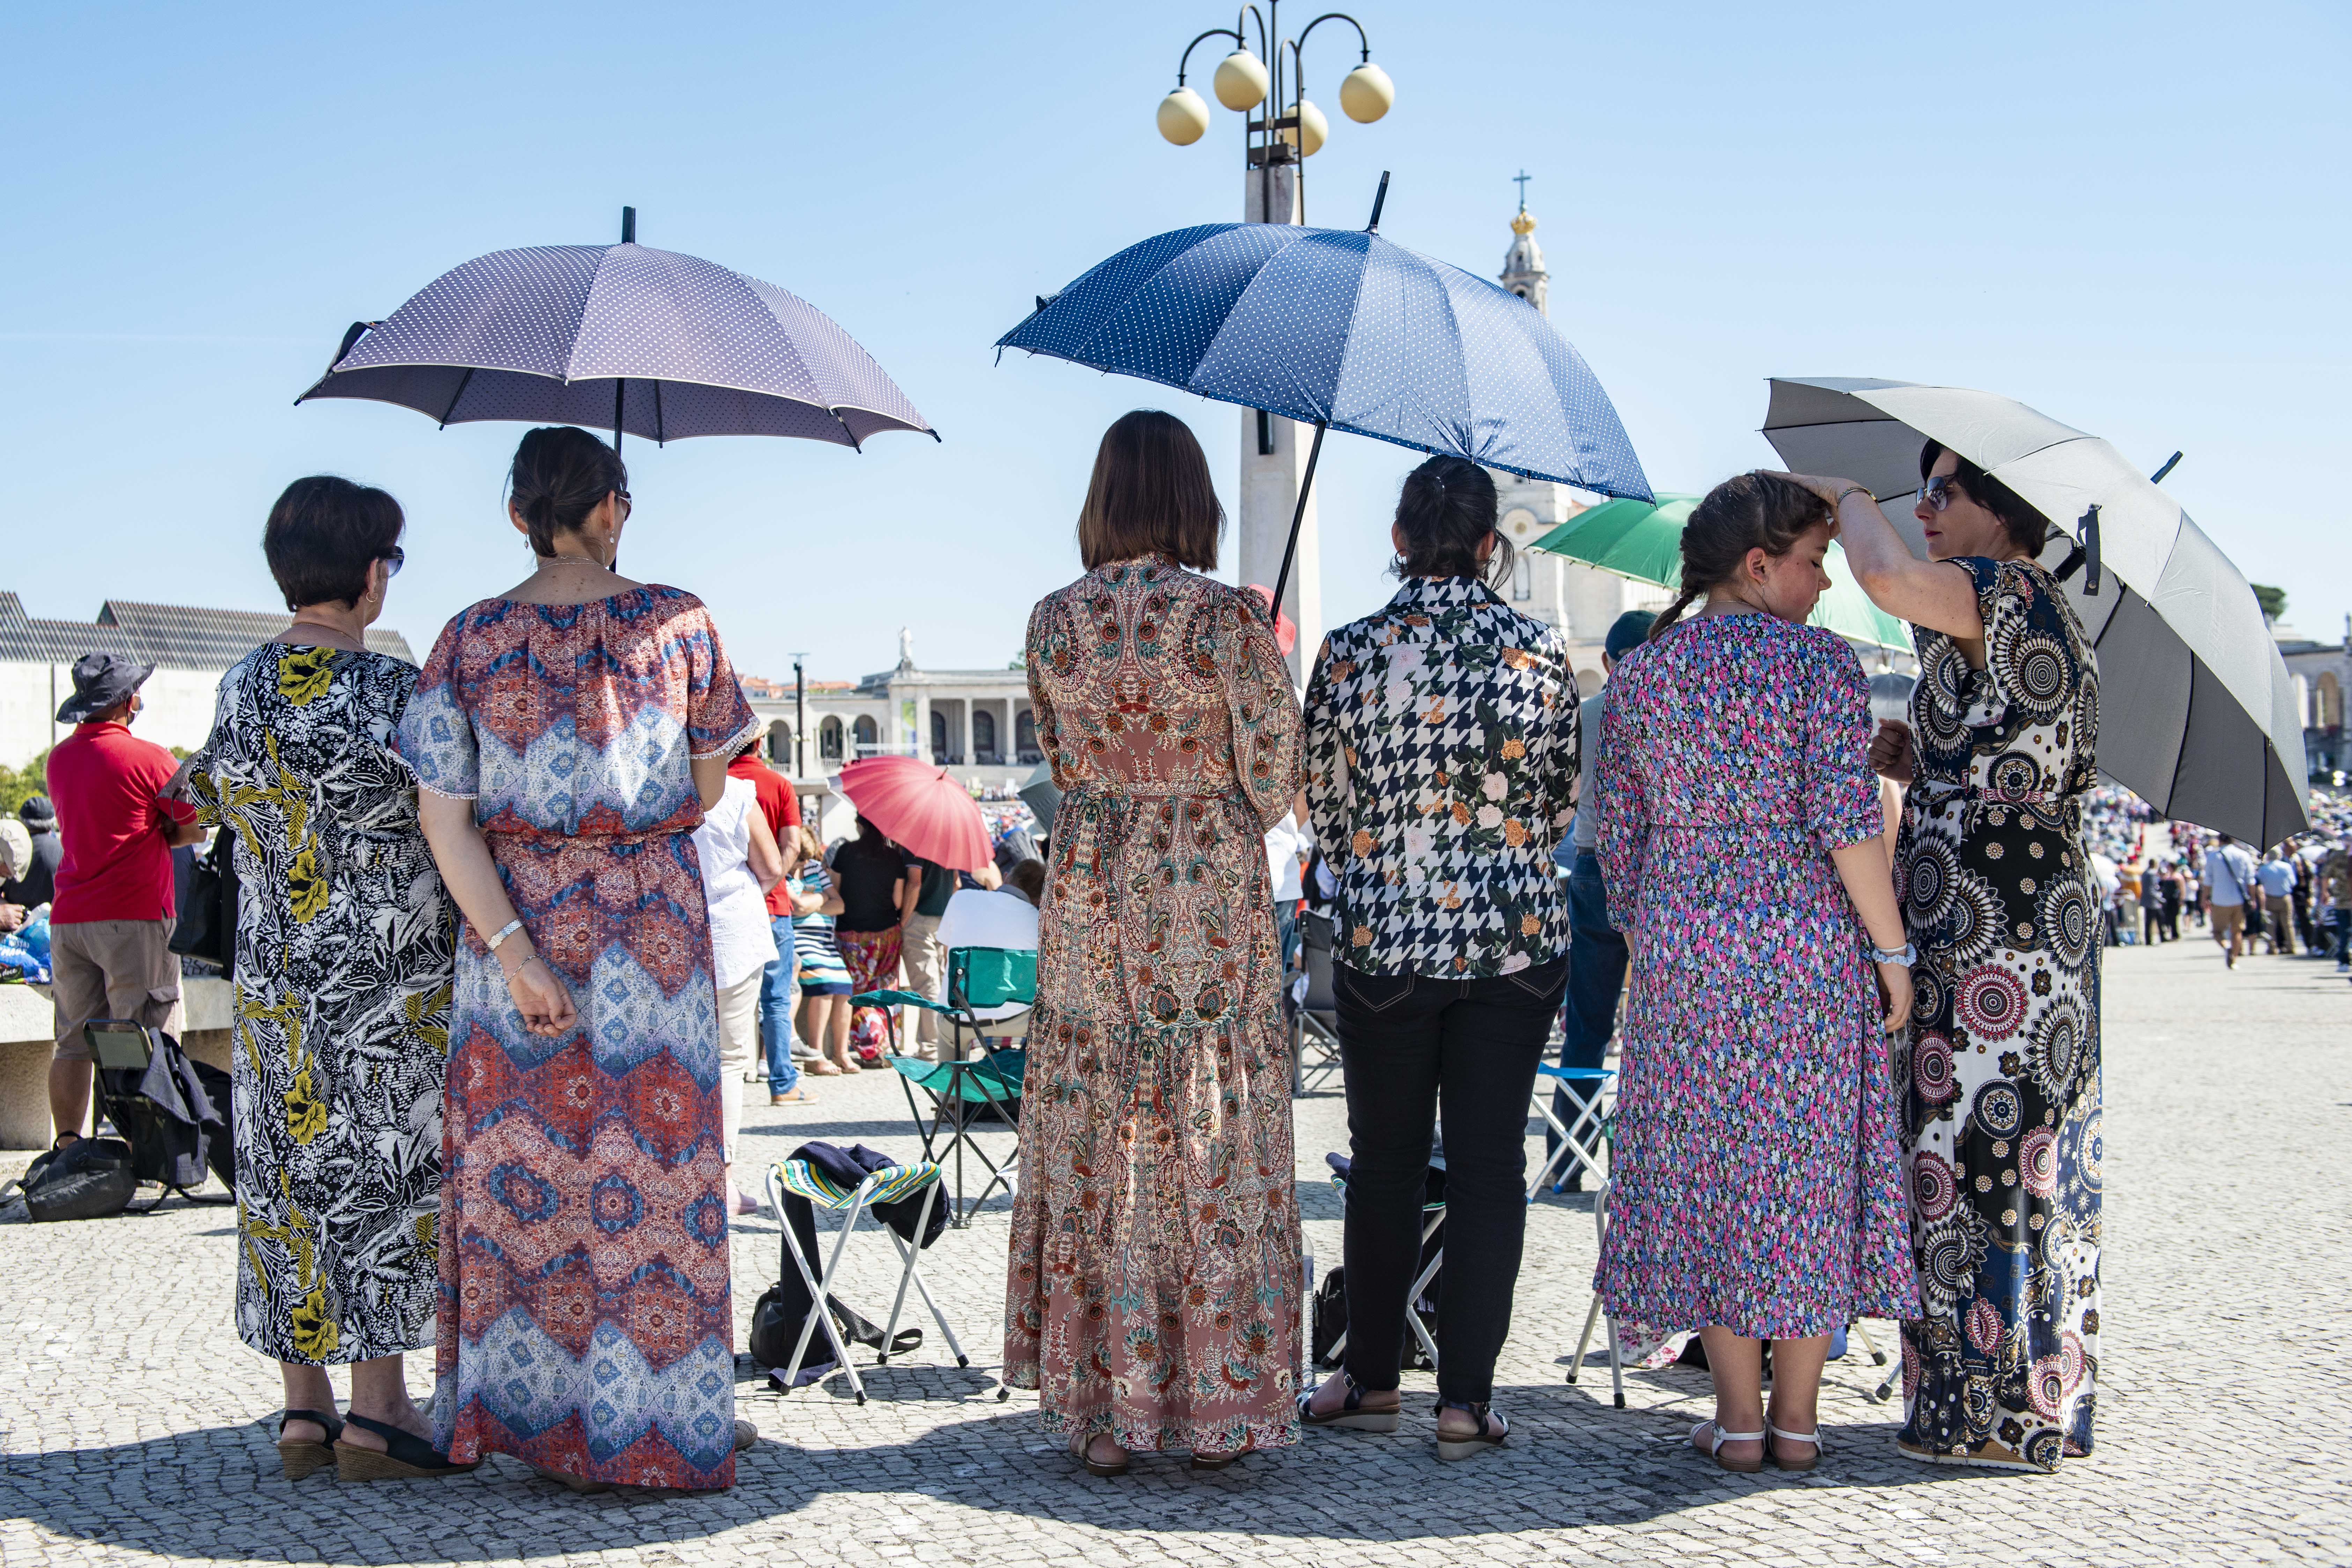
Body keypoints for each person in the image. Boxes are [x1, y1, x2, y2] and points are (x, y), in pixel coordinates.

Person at [397, 426, 758, 1492]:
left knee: (524, 1186)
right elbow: (704, 792)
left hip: (517, 929)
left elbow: (444, 822)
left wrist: (514, 953)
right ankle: (652, 1417)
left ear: (517, 515)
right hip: (652, 937)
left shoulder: (464, 639)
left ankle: (529, 1414)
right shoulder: (678, 621)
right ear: (615, 507)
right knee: (654, 1184)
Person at [1591, 473, 1917, 1475]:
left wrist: (1667, 946)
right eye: (1815, 562)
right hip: (1807, 954)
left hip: (1687, 954)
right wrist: (1893, 951)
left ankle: (1737, 1421)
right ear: (1758, 564)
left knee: (1710, 1182)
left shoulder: (1642, 678)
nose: (1825, 582)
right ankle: (1800, 1422)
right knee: (1803, 1176)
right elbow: (1846, 823)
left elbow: (1620, 843)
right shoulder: (1822, 667)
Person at [1005, 409, 1305, 1475]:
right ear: (1193, 498)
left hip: (1089, 887)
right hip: (1202, 898)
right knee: (1205, 1136)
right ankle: (1209, 1404)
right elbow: (1276, 778)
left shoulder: (1051, 620)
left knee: (1096, 1129)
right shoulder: (1227, 622)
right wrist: (1202, 801)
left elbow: (1056, 752)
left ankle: (1100, 1413)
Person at [1794, 441, 2103, 1472]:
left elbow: (1882, 579)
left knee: (1978, 1158)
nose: (1920, 509)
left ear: (2003, 513)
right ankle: (2005, 1396)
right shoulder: (2009, 615)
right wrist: (1916, 754)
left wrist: (1844, 497)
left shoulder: (1998, 589)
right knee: (1987, 1158)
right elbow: (2007, 751)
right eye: (1914, 492)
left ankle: (1989, 1409)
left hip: (1993, 938)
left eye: (1940, 492)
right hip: (2000, 926)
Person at [176, 476, 460, 1479]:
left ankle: (305, 1411)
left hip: (276, 979)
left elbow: (196, 794)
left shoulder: (241, 685)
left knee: (290, 1174)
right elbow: (461, 813)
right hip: (388, 979)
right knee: (382, 1176)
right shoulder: (396, 693)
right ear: (374, 572)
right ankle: (380, 1411)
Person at [1296, 454, 1576, 1462]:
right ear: (1492, 545)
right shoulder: (1537, 649)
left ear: (1400, 539)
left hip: (1388, 938)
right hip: (1513, 939)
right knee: (1491, 1165)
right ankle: (1465, 1397)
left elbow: (1322, 804)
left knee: (1384, 1164)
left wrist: (1381, 862)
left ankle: (1370, 1374)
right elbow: (1555, 801)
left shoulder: (1351, 651)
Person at [42, 651, 206, 1145]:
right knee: (146, 1035)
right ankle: (150, 1150)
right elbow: (193, 829)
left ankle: (69, 1148)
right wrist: (160, 833)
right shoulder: (150, 757)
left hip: (70, 917)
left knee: (72, 1041)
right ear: (129, 702)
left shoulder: (59, 759)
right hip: (133, 914)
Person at [1547, 608, 1653, 1193]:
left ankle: (1566, 1161)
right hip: (1657, 876)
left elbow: (1559, 799)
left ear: (1608, 664)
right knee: (1651, 1030)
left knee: (1586, 1027)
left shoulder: (1586, 715)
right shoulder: (1669, 714)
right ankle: (1637, 1168)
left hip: (1590, 870)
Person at [695, 754, 796, 1209]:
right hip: (730, 934)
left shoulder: (651, 795)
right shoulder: (735, 793)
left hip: (666, 934)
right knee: (730, 1059)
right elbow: (771, 866)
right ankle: (723, 1180)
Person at [727, 744, 806, 1105]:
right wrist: (767, 886)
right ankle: (783, 1083)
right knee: (776, 999)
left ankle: (723, 1081)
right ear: (760, 745)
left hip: (728, 906)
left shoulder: (719, 782)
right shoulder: (779, 784)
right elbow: (791, 846)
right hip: (774, 904)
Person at [830, 817, 912, 1062]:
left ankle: (857, 1046)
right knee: (884, 990)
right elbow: (899, 902)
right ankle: (881, 1048)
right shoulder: (894, 858)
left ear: (858, 824)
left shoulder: (845, 851)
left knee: (856, 991)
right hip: (886, 935)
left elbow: (835, 890)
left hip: (850, 936)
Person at [788, 828, 857, 1075]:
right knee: (826, 981)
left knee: (844, 984)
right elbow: (797, 908)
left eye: (806, 859)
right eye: (800, 859)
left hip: (825, 942)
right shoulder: (781, 871)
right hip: (798, 941)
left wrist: (812, 901)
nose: (803, 864)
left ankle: (841, 1053)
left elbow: (839, 905)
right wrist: (820, 899)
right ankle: (816, 1055)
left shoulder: (816, 868)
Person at [2203, 833, 2258, 968]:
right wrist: (2253, 898)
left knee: (2217, 932)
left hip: (2219, 899)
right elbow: (2251, 881)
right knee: (2237, 931)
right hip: (2239, 899)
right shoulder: (2243, 855)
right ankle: (2233, 959)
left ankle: (2226, 946)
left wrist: (2204, 898)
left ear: (2220, 841)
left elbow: (2208, 881)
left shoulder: (2213, 857)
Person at [10, 797, 62, 910]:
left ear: (22, 822)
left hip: (15, 924)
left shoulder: (9, 850)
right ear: (52, 822)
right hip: (53, 924)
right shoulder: (63, 851)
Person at [2254, 848, 2297, 956]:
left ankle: (2272, 947)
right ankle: (2291, 946)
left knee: (2270, 925)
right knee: (2288, 924)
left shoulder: (2264, 869)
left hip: (2269, 898)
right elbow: (2293, 882)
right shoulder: (2286, 867)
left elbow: (2260, 884)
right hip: (2285, 897)